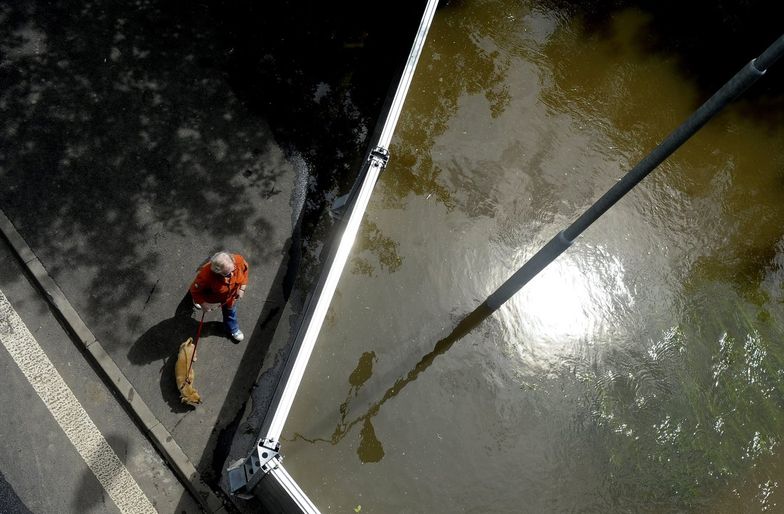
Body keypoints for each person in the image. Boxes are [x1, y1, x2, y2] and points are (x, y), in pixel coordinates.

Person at [189, 251, 249, 341]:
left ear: (232, 260)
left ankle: (233, 329)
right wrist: (203, 303)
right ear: (218, 272)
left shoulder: (239, 260)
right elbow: (194, 290)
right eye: (226, 274)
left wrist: (242, 288)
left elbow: (245, 272)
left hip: (230, 297)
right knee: (199, 295)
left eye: (232, 269)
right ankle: (197, 300)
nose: (231, 274)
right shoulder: (205, 276)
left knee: (230, 311)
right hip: (212, 296)